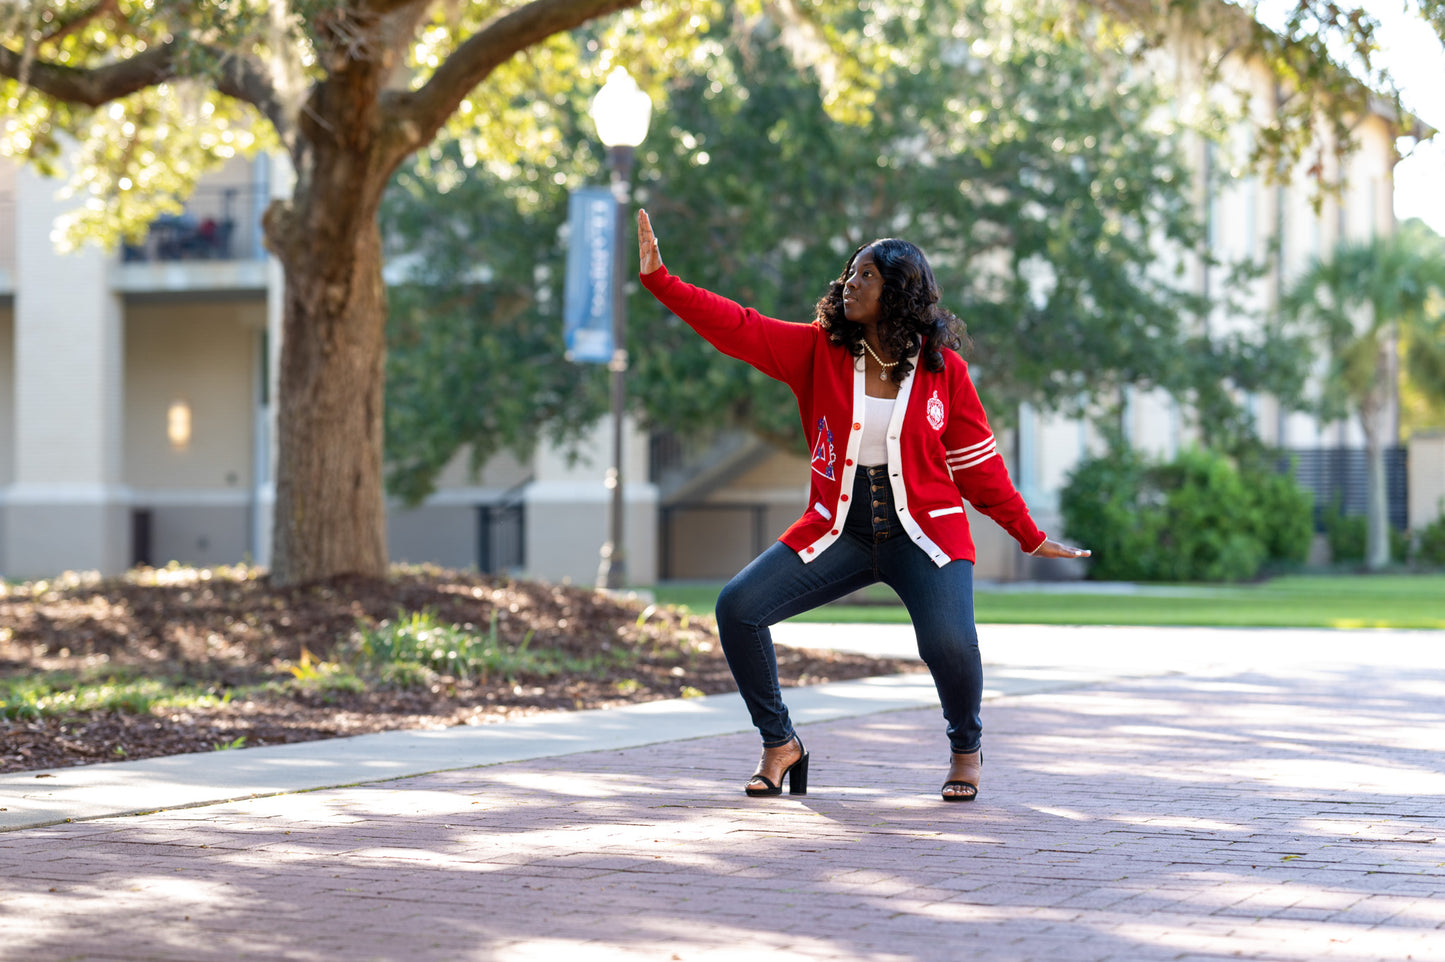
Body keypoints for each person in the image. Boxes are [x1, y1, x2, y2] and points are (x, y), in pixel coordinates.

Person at [636, 209, 1090, 803]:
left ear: (899, 292)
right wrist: (661, 281)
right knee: (738, 607)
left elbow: (978, 468)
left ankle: (965, 747)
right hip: (838, 530)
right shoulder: (816, 351)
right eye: (850, 274)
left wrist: (1029, 535)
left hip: (925, 534)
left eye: (867, 275)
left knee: (949, 643)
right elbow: (738, 326)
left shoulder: (943, 371)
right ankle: (780, 744)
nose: (850, 283)